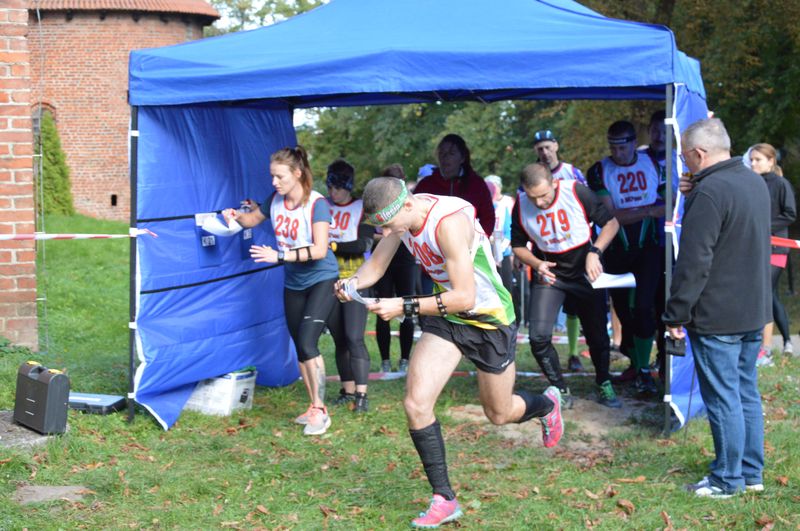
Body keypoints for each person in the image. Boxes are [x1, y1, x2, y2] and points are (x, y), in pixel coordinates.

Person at [336, 177, 563, 528]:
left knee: (499, 413)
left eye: (387, 225)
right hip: (447, 318)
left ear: (407, 206)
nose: (385, 232)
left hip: (488, 319)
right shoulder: (401, 217)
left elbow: (465, 297)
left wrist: (403, 305)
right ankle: (444, 497)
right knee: (415, 403)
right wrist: (351, 284)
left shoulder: (447, 224)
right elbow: (377, 266)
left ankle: (546, 405)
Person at [663, 117, 771, 497]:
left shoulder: (710, 193)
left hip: (718, 314)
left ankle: (727, 479)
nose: (683, 165)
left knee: (724, 398)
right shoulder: (754, 181)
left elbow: (694, 262)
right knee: (744, 393)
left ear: (698, 153)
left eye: (684, 157)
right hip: (752, 308)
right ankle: (750, 473)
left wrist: (675, 314)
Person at [224, 146, 339, 436]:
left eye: (279, 177)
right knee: (300, 345)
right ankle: (313, 405)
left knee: (308, 340)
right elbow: (251, 220)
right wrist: (236, 214)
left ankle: (320, 410)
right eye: (272, 177)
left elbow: (319, 249)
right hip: (293, 281)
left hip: (321, 278)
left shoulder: (317, 204)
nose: (274, 182)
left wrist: (279, 256)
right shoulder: (274, 200)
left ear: (298, 174)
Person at [512, 163, 622, 408]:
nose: (539, 203)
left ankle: (604, 381)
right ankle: (559, 388)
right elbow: (517, 245)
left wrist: (595, 251)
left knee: (597, 336)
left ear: (554, 183)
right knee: (538, 337)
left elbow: (611, 223)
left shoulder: (576, 191)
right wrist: (536, 263)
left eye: (544, 196)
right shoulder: (520, 204)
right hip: (552, 275)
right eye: (533, 197)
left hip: (586, 272)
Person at [587, 120, 665, 395]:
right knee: (623, 311)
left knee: (645, 308)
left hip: (648, 249)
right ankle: (636, 363)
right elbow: (612, 216)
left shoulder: (653, 164)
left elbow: (669, 203)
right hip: (616, 251)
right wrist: (648, 210)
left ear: (634, 143)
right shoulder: (599, 170)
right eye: (613, 147)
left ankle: (645, 371)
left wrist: (644, 211)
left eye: (623, 146)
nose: (617, 153)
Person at [533, 129, 588, 372]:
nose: (544, 152)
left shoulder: (572, 172)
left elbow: (587, 204)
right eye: (539, 149)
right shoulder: (532, 175)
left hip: (574, 248)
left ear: (556, 145)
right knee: (544, 307)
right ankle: (546, 360)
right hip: (545, 250)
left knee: (576, 306)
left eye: (547, 147)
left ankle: (575, 353)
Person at [325, 159, 375, 412]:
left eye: (338, 188)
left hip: (355, 280)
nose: (334, 193)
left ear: (348, 186)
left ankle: (362, 396)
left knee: (355, 337)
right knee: (340, 339)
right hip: (329, 280)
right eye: (330, 187)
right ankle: (347, 390)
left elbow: (362, 245)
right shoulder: (323, 206)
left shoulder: (361, 208)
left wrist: (331, 245)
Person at [749, 143, 797, 364]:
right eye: (751, 160)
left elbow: (790, 214)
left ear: (771, 161)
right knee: (764, 295)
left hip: (777, 247)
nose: (753, 163)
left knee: (764, 294)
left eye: (758, 159)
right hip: (755, 247)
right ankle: (767, 343)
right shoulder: (751, 183)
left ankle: (766, 350)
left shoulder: (781, 184)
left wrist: (764, 226)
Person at [372, 163, 418, 373]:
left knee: (406, 306)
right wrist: (386, 233)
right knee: (383, 308)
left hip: (405, 258)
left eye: (399, 179)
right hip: (383, 259)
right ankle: (384, 360)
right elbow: (368, 232)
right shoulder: (376, 202)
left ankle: (405, 358)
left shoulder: (409, 201)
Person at [413, 134, 495, 237]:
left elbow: (488, 218)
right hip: (430, 248)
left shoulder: (477, 185)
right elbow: (413, 215)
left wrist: (478, 243)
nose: (445, 157)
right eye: (442, 153)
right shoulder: (425, 185)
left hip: (468, 247)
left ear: (462, 158)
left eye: (451, 153)